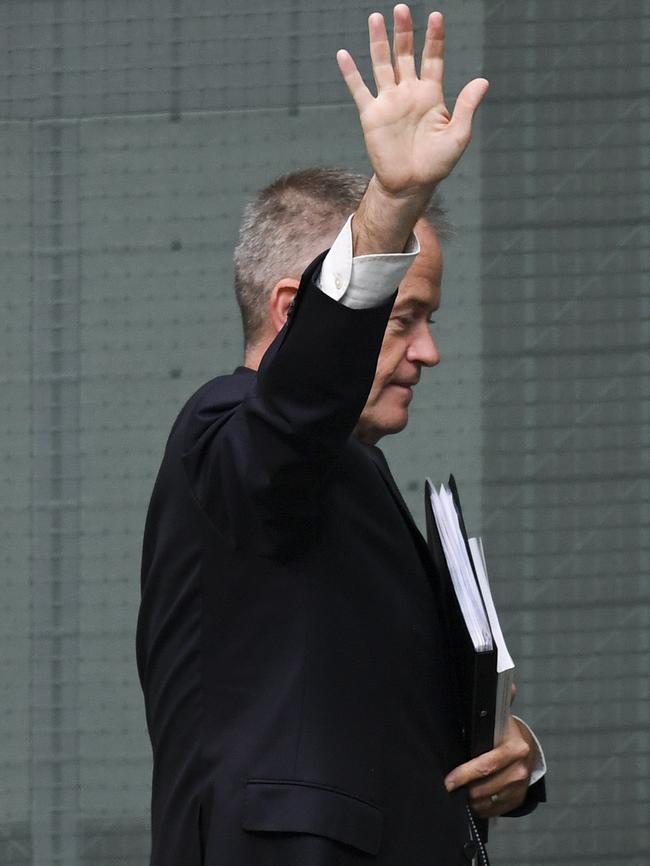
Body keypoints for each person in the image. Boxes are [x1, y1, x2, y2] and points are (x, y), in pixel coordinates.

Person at [137, 6, 545, 865]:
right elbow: (291, 418)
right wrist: (392, 204)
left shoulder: (350, 474)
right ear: (294, 311)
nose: (429, 353)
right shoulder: (229, 430)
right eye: (406, 319)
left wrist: (515, 758)